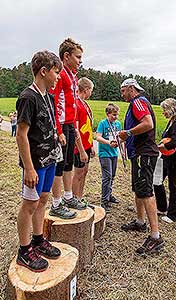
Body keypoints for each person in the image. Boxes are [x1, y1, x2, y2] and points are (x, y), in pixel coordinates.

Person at [16, 50, 63, 272]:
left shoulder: (48, 97)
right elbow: (21, 134)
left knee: (43, 199)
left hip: (50, 159)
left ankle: (37, 239)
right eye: (56, 72)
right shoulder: (28, 97)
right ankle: (24, 251)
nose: (58, 77)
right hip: (34, 163)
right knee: (30, 204)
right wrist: (28, 168)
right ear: (43, 71)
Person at [119, 78, 164, 256]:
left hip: (144, 153)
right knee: (139, 189)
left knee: (146, 191)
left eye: (123, 90)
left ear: (132, 88)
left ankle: (155, 237)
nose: (122, 94)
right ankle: (140, 222)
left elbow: (148, 123)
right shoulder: (136, 103)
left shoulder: (138, 101)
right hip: (138, 152)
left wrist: (128, 133)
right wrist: (124, 139)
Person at [49, 38, 87, 219]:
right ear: (66, 56)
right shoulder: (60, 74)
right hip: (62, 125)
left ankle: (68, 196)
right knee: (58, 164)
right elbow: (56, 103)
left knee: (68, 163)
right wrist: (58, 130)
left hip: (70, 124)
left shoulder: (73, 75)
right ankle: (56, 203)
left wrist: (73, 126)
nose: (80, 61)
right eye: (78, 57)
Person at [154, 98, 176, 223]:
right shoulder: (171, 122)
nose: (163, 112)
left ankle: (173, 215)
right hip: (166, 159)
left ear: (172, 109)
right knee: (156, 181)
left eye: (165, 110)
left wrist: (162, 146)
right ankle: (162, 207)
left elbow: (175, 142)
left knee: (174, 187)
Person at [72, 77, 95, 201]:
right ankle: (74, 199)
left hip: (86, 146)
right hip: (79, 147)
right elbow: (76, 129)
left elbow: (88, 127)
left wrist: (90, 145)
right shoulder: (76, 104)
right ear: (86, 89)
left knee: (84, 172)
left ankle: (80, 198)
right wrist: (81, 150)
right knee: (78, 173)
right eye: (91, 90)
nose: (91, 92)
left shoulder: (85, 104)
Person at [96, 103, 122, 212]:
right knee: (107, 176)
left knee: (113, 176)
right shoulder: (103, 123)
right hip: (104, 154)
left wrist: (119, 142)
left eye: (117, 115)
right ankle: (104, 201)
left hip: (114, 154)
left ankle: (109, 195)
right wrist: (108, 142)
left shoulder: (118, 124)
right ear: (108, 114)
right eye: (113, 115)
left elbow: (120, 137)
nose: (115, 117)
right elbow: (97, 137)